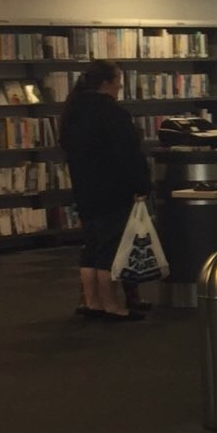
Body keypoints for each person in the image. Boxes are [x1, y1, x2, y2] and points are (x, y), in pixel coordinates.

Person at [59, 60, 150, 321]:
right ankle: (112, 305)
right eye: (118, 80)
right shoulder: (113, 114)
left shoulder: (72, 111)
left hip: (85, 188)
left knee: (92, 245)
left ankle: (93, 302)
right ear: (106, 83)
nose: (120, 86)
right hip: (113, 189)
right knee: (111, 247)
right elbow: (128, 155)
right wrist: (141, 185)